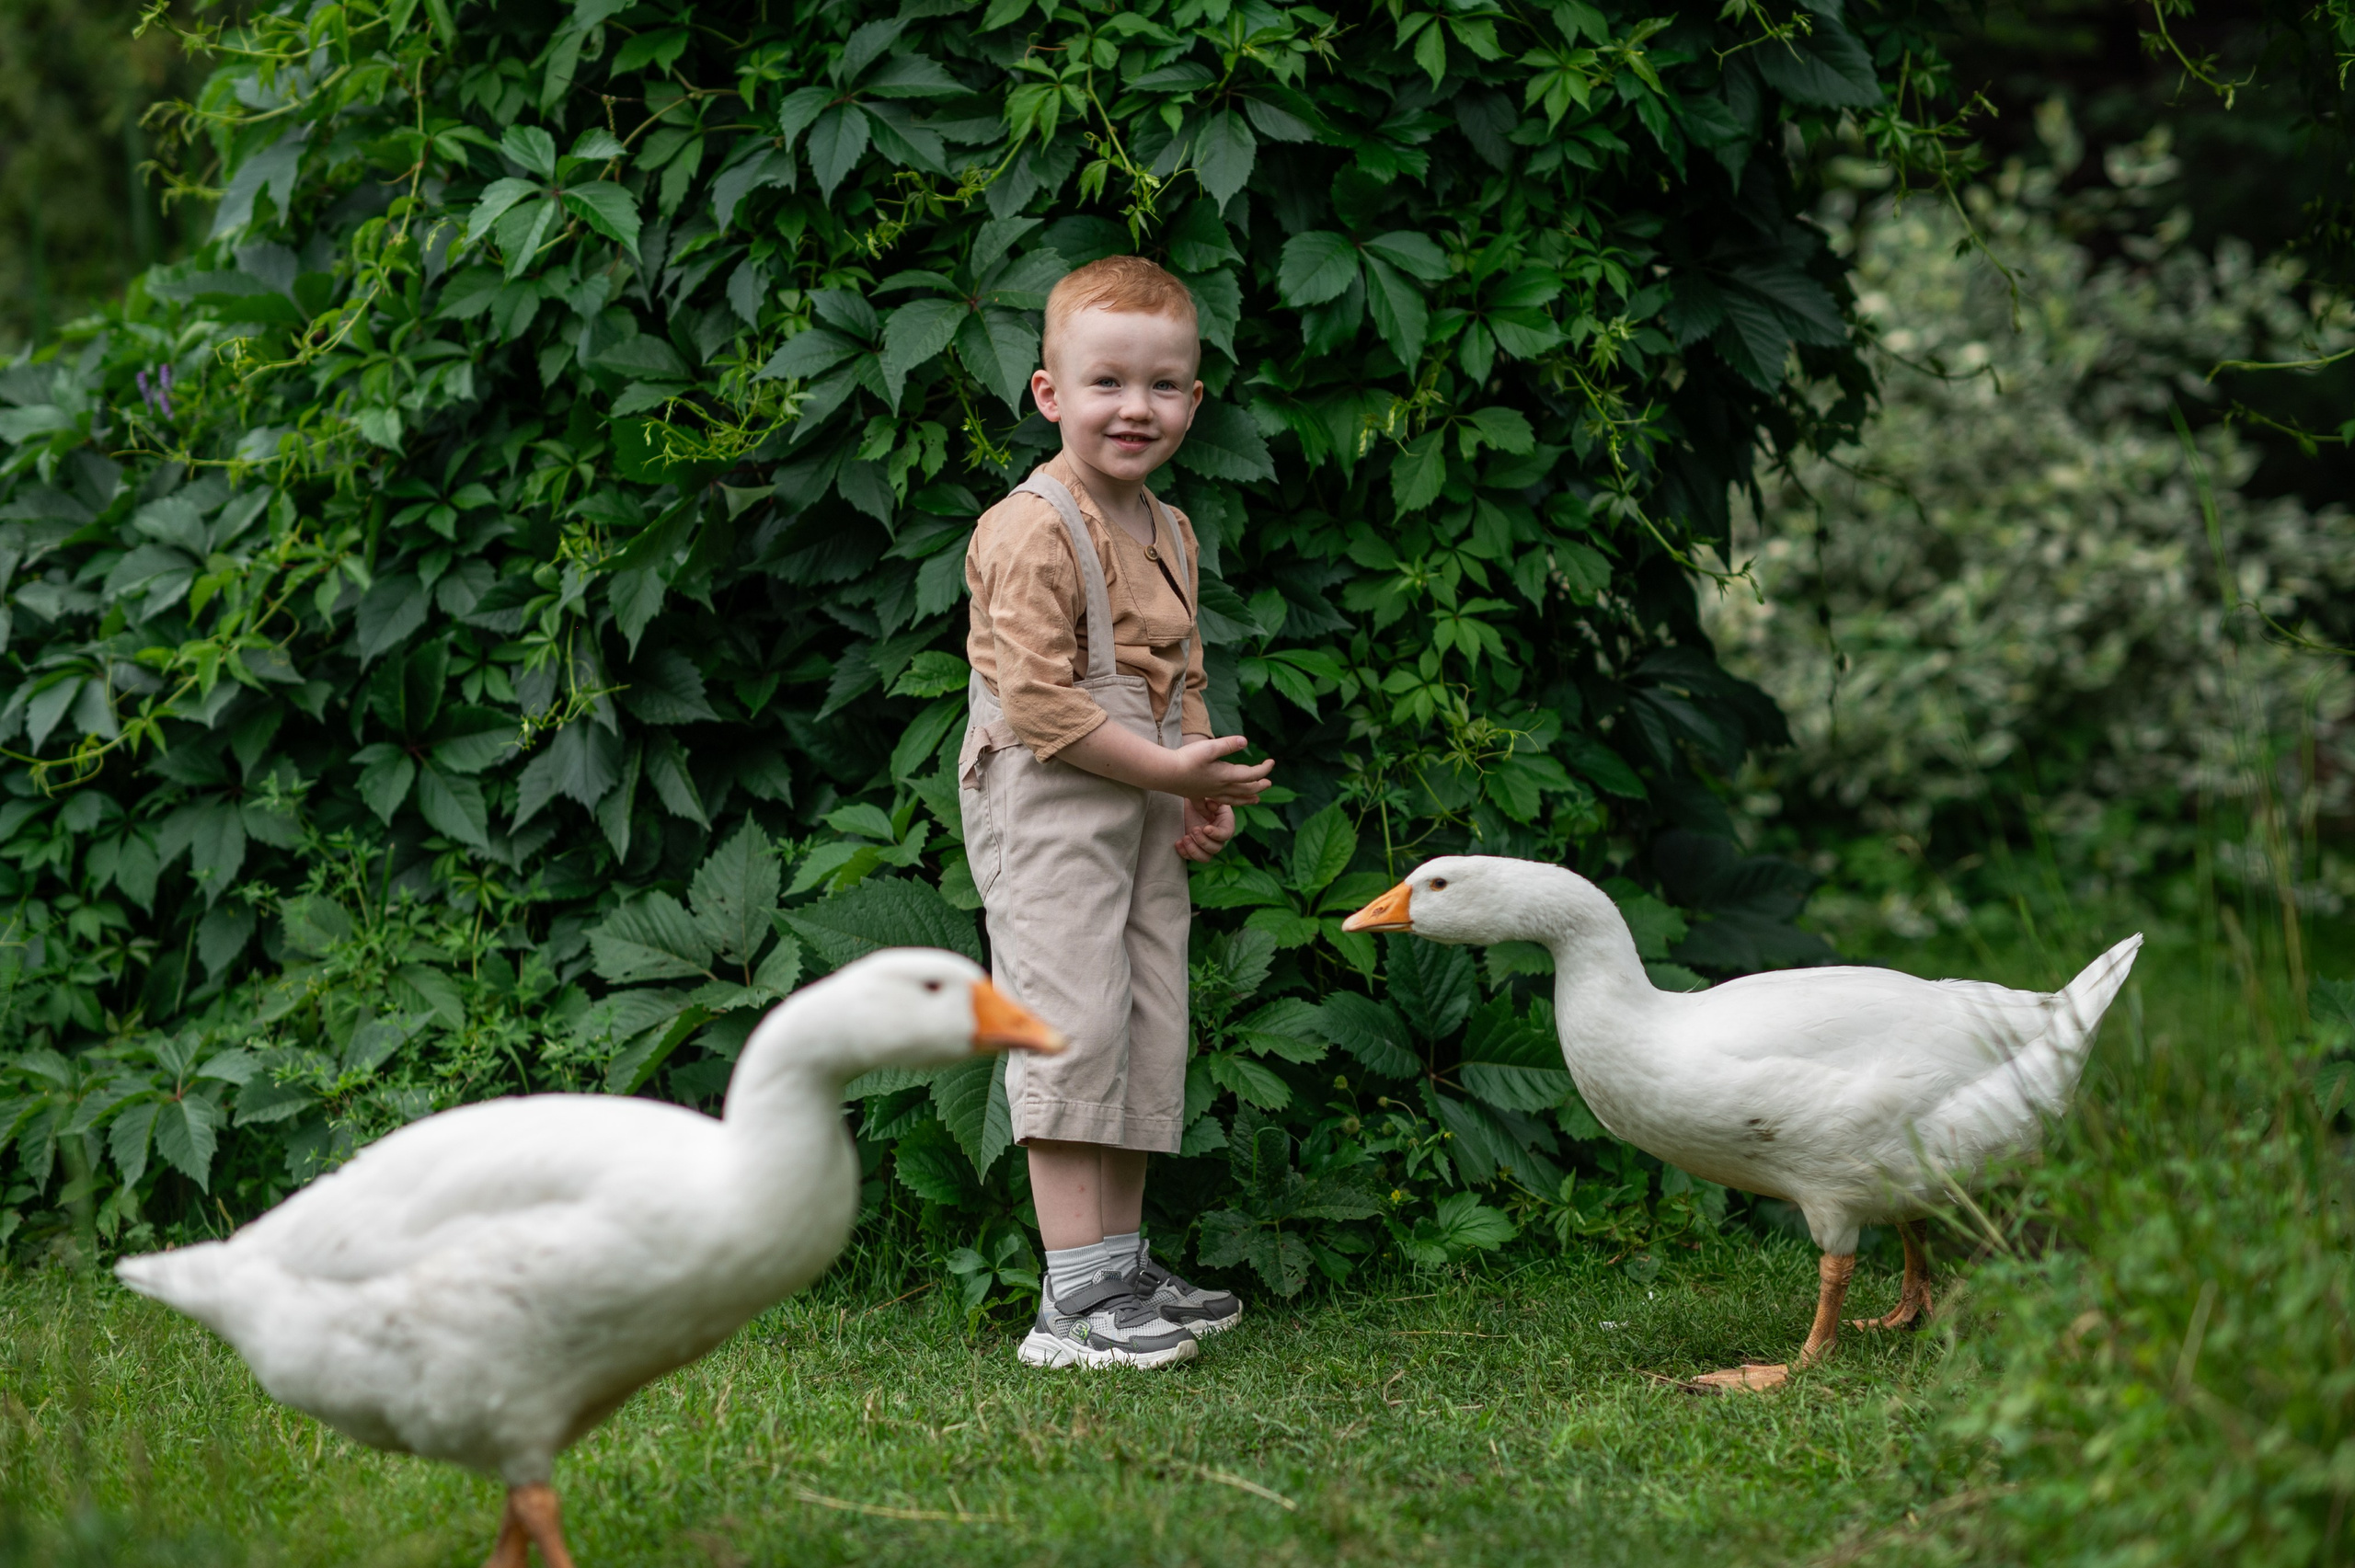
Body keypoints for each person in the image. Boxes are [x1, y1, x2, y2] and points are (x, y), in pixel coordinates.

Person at [959, 255, 1275, 1368]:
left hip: (1141, 790)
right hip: (1049, 800)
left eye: (1162, 385)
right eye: (1106, 383)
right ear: (1049, 392)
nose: (1134, 408)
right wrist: (1166, 770)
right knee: (1070, 1023)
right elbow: (1043, 704)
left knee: (1144, 1020)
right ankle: (1070, 1304)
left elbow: (1176, 668)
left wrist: (1189, 783)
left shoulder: (1170, 527)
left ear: (1195, 397)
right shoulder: (1031, 528)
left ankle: (1122, 1266)